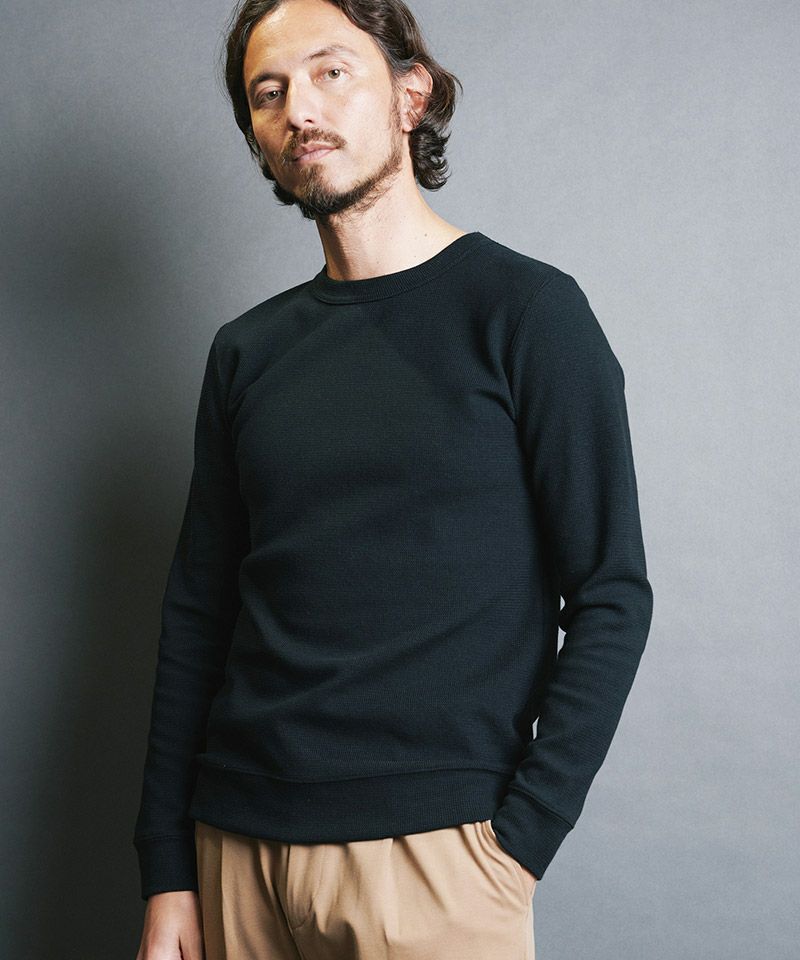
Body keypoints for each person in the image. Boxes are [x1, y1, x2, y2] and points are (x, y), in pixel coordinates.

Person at [133, 0, 654, 957]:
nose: (299, 109)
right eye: (267, 92)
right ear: (257, 138)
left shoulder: (527, 313)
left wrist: (517, 846)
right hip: (236, 851)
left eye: (331, 71)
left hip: (436, 859)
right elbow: (198, 615)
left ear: (411, 96)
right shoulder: (247, 353)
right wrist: (167, 868)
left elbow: (612, 592)